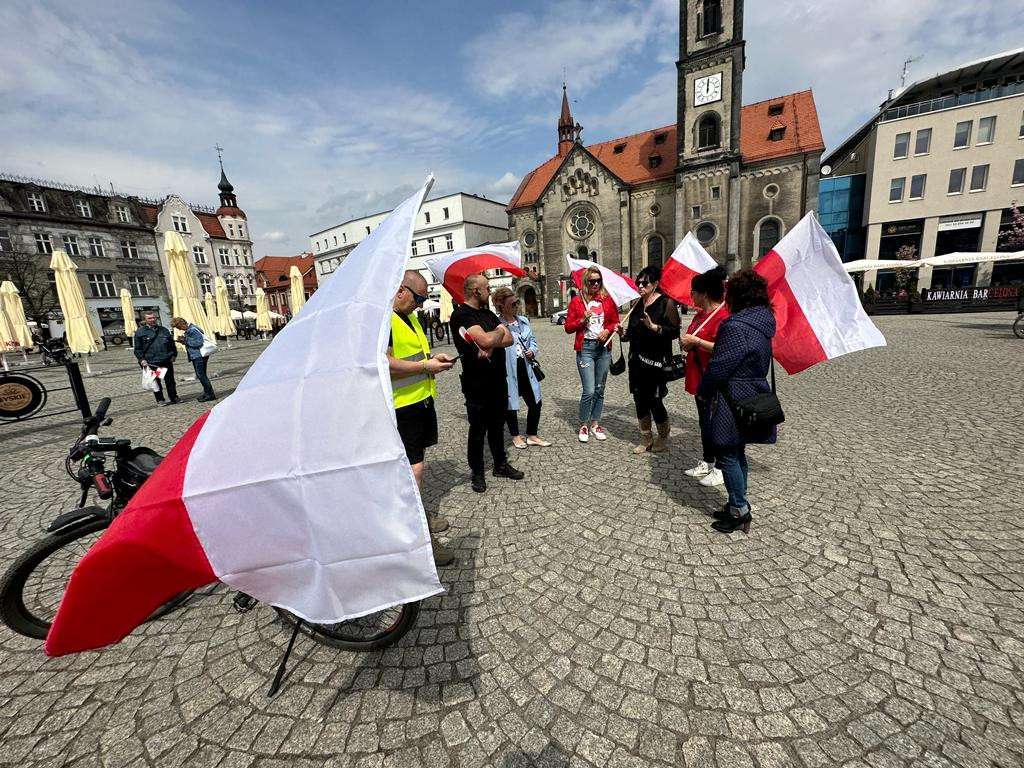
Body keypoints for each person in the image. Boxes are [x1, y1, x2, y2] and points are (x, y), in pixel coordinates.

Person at [696, 269, 777, 534]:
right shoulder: (763, 322)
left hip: (731, 397)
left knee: (727, 455)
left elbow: (719, 366)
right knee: (738, 452)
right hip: (753, 391)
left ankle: (739, 510)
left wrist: (703, 390)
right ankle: (736, 502)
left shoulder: (734, 326)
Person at [387, 270, 457, 566]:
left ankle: (416, 514)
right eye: (418, 297)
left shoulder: (410, 317)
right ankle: (418, 536)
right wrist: (425, 367)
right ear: (401, 291)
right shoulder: (385, 321)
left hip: (421, 403)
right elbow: (385, 365)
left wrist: (434, 360)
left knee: (414, 469)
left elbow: (416, 356)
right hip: (402, 408)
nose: (420, 303)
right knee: (412, 473)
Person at [450, 273, 525, 493]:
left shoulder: (488, 315)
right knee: (477, 430)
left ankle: (500, 465)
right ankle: (478, 472)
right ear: (476, 291)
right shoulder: (461, 315)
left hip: (497, 380)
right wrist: (498, 333)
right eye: (487, 288)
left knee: (497, 426)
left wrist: (496, 336)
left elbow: (509, 339)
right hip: (477, 383)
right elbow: (483, 340)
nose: (489, 292)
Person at [617, 265, 679, 453]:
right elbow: (632, 335)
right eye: (638, 282)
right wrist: (623, 333)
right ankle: (646, 438)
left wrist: (655, 328)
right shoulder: (636, 305)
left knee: (654, 400)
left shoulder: (665, 303)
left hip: (656, 362)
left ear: (655, 284)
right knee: (639, 399)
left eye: (645, 283)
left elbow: (675, 331)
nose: (640, 286)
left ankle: (662, 435)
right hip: (636, 361)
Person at [679, 266, 729, 484]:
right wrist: (687, 343)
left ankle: (720, 466)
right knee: (704, 423)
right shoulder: (700, 316)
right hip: (698, 378)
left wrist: (696, 342)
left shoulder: (724, 316)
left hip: (713, 380)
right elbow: (693, 338)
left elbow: (725, 347)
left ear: (705, 293)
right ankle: (707, 461)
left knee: (715, 424)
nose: (691, 296)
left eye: (693, 292)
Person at [564, 266, 619, 442]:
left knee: (599, 389)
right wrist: (581, 320)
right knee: (588, 390)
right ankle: (583, 424)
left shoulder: (606, 299)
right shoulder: (576, 301)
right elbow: (567, 327)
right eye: (592, 281)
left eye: (598, 280)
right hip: (585, 348)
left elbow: (615, 322)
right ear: (585, 282)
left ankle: (595, 423)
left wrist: (608, 330)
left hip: (603, 348)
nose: (596, 284)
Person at [493, 287, 551, 450]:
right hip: (507, 369)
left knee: (535, 402)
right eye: (512, 303)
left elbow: (533, 341)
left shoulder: (523, 321)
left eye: (517, 302)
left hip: (525, 365)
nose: (516, 306)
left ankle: (532, 435)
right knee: (511, 403)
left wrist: (532, 351)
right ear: (501, 306)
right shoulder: (496, 325)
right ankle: (516, 436)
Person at [133, 311, 179, 406]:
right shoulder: (140, 332)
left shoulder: (164, 330)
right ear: (144, 320)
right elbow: (137, 349)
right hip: (152, 362)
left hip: (166, 360)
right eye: (150, 318)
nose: (153, 320)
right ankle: (160, 399)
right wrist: (142, 359)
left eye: (154, 317)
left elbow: (171, 344)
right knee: (156, 382)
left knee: (170, 380)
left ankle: (174, 397)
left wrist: (174, 355)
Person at [171, 317, 216, 402]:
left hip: (199, 355)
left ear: (182, 324)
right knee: (201, 375)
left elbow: (198, 342)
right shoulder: (190, 330)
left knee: (201, 375)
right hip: (197, 355)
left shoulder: (192, 330)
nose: (179, 329)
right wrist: (183, 341)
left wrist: (185, 340)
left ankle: (210, 394)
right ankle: (207, 392)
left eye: (178, 327)